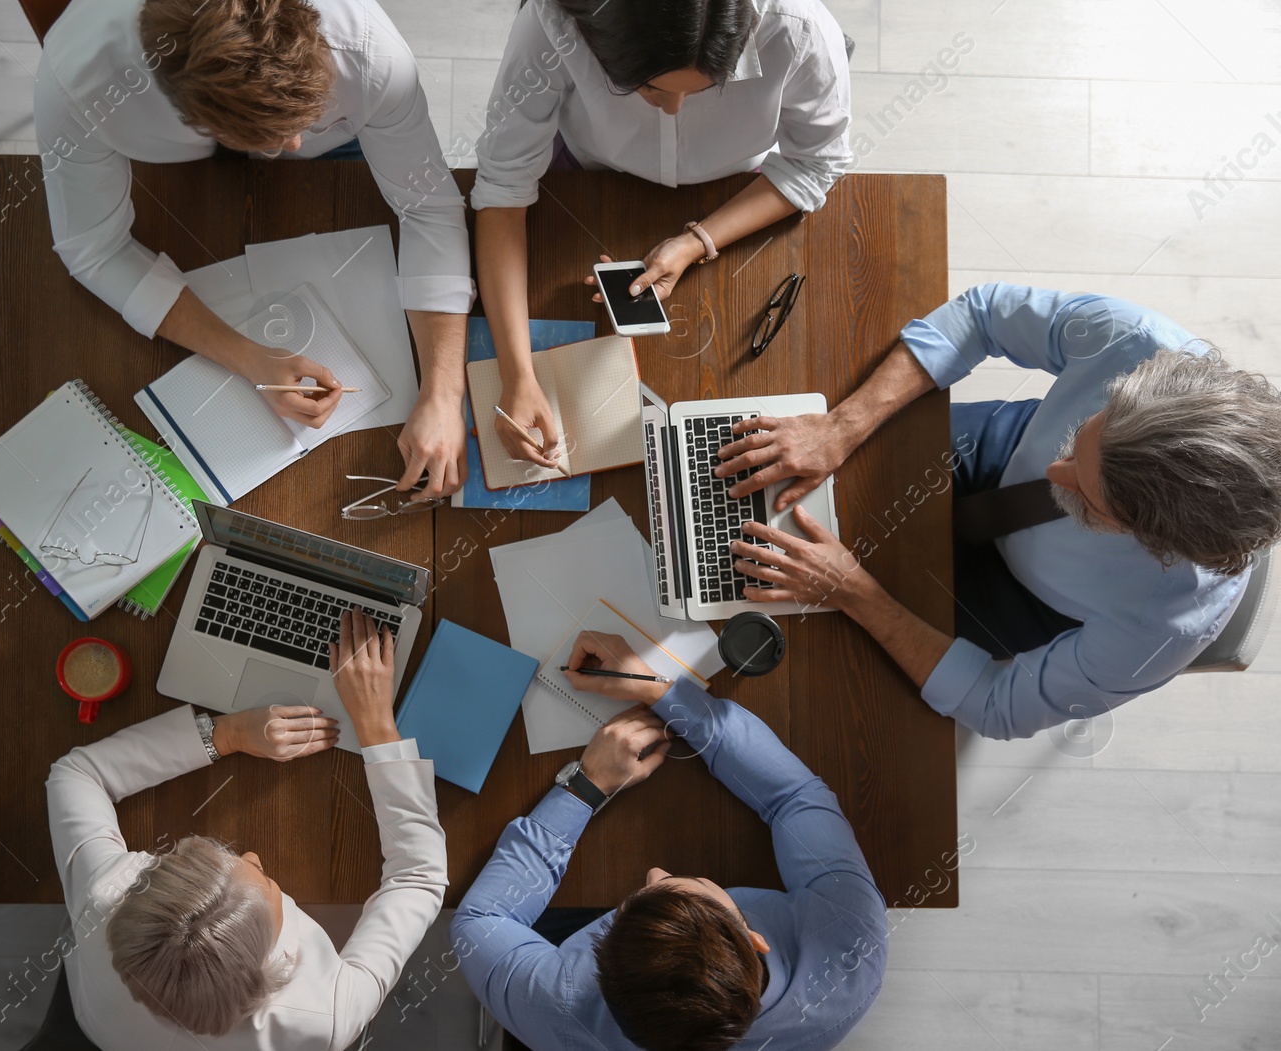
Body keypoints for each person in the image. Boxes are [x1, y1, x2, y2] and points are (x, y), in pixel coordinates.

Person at [711, 282, 1281, 739]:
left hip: (1017, 603)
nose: (1053, 476)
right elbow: (982, 315)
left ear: (1152, 543)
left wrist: (855, 593)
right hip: (992, 451)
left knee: (819, 665)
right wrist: (841, 426)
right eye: (1080, 441)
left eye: (1086, 495)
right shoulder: (1136, 343)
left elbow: (994, 705)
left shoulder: (1164, 627)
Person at [35, 0, 475, 496]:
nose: (293, 144)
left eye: (304, 121)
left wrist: (442, 395)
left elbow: (428, 209)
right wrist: (249, 358)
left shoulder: (371, 54)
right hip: (173, 175)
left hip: (348, 143)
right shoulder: (80, 83)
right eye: (269, 136)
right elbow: (94, 250)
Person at [451, 631, 888, 1051]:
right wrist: (659, 691)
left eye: (628, 906)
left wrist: (587, 785)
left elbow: (480, 921)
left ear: (601, 978)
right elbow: (795, 796)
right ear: (754, 940)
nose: (655, 872)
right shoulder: (851, 945)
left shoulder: (565, 1007)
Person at [471, 0, 851, 470]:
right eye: (647, 88)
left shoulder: (801, 29)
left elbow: (814, 163)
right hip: (588, 172)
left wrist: (696, 243)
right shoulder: (554, 22)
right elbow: (503, 186)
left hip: (740, 189)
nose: (672, 109)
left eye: (705, 89)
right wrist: (517, 375)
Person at [45, 610, 445, 1049]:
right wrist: (376, 725)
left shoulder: (107, 898)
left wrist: (228, 733)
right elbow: (418, 876)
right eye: (269, 884)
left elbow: (77, 774)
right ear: (268, 966)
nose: (253, 857)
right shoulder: (324, 1016)